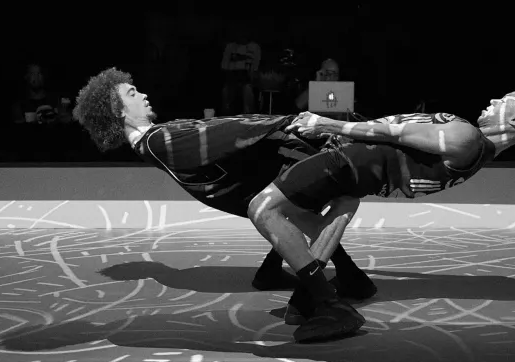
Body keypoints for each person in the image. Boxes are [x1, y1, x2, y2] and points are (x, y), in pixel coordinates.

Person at [72, 67, 377, 343]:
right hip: (245, 184)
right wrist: (283, 122)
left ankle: (326, 280)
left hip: (241, 184)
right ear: (118, 110)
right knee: (324, 200)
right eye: (132, 94)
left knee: (300, 206)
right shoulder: (157, 139)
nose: (144, 95)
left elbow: (215, 133)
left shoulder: (151, 141)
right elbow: (224, 131)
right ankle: (328, 300)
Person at [247, 93, 515, 333]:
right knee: (341, 208)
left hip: (348, 159)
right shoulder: (479, 156)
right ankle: (304, 300)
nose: (493, 101)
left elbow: (394, 133)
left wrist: (326, 123)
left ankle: (328, 303)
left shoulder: (467, 137)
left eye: (503, 101)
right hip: (360, 175)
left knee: (263, 208)